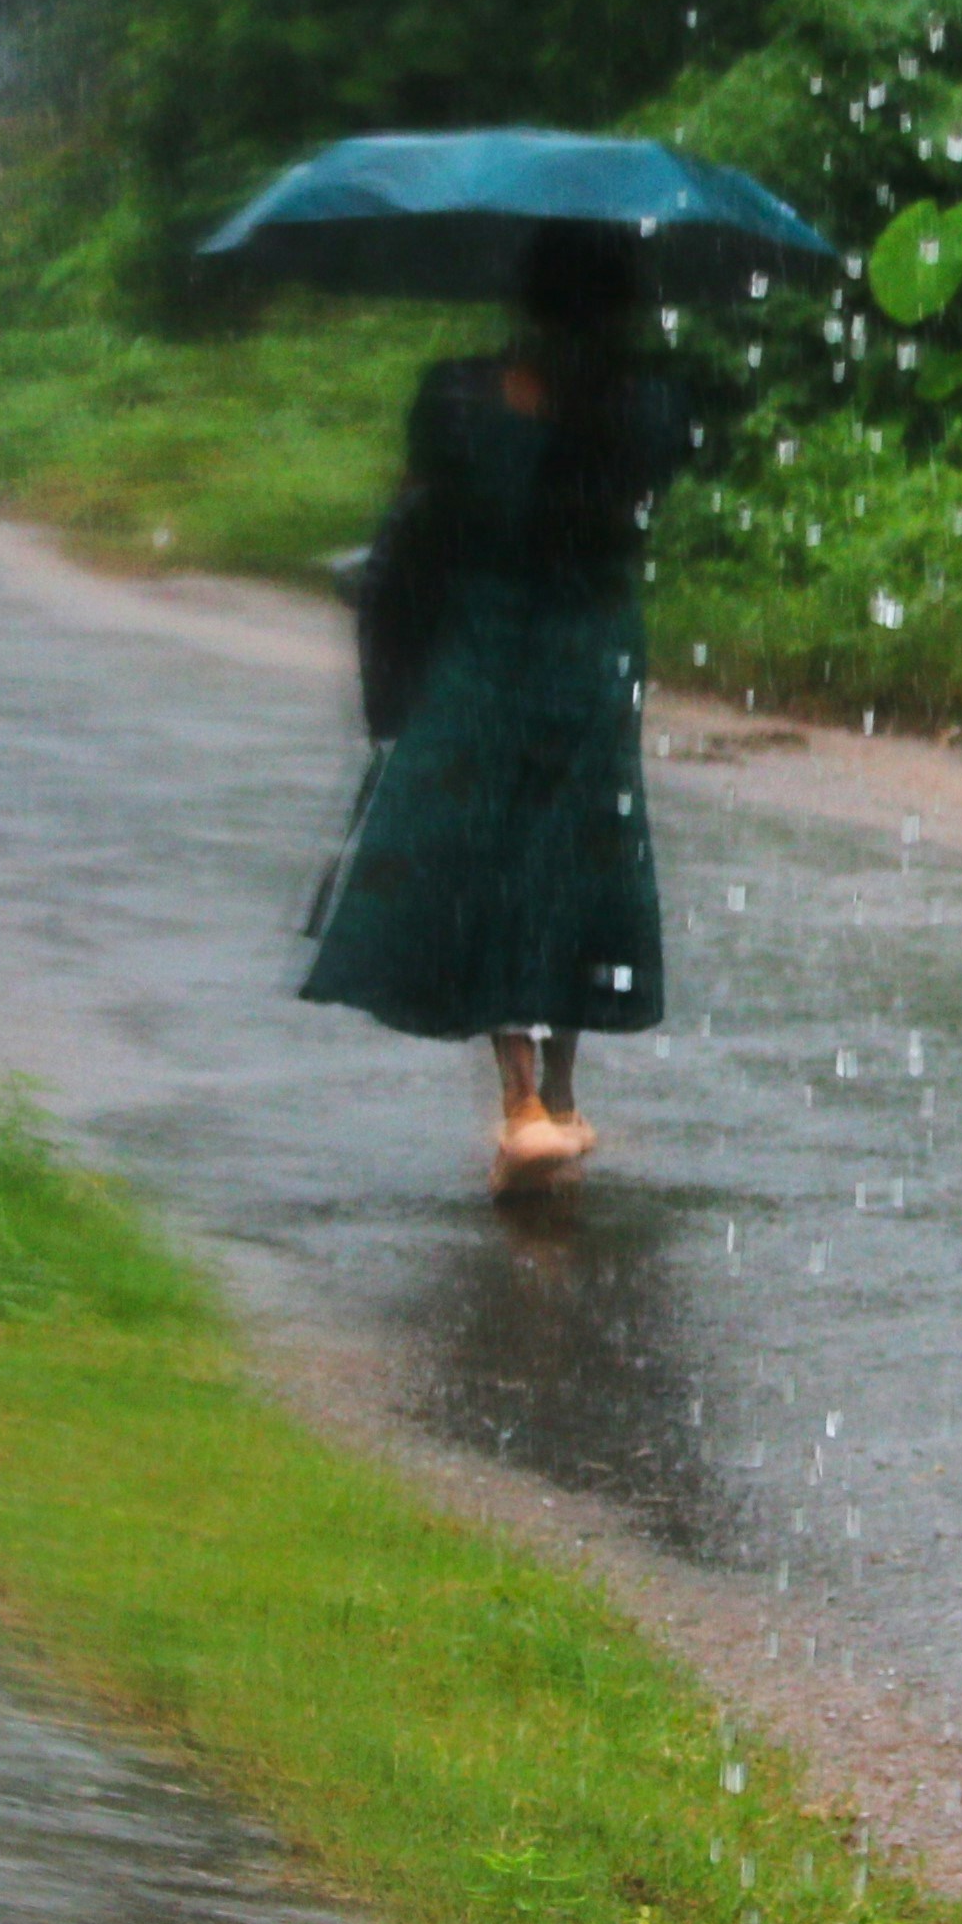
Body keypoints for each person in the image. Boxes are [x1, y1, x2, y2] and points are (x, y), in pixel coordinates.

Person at [300, 222, 701, 1196]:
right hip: (591, 659)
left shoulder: (457, 394)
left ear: (524, 299)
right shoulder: (651, 404)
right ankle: (561, 1098)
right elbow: (638, 505)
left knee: (488, 859)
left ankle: (519, 1101)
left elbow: (415, 516)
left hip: (478, 656)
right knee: (576, 856)